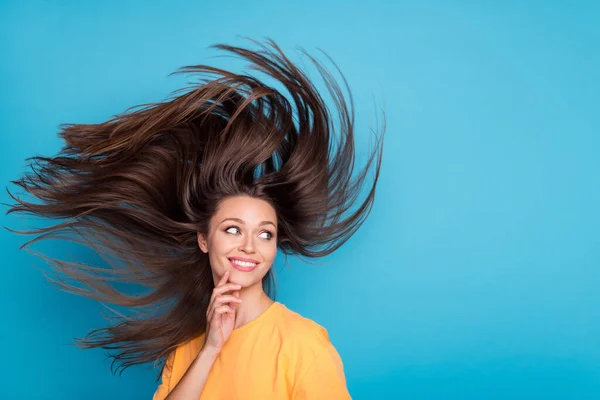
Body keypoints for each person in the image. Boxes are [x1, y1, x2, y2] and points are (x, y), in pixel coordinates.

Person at [6, 38, 385, 399]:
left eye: (265, 234)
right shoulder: (188, 347)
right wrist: (210, 349)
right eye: (232, 229)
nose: (249, 247)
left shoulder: (303, 345)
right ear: (204, 239)